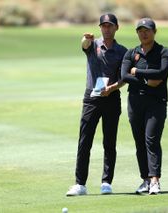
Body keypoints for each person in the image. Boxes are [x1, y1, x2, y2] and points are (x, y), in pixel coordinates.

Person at [66, 14, 127, 196]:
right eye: (104, 26)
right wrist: (85, 39)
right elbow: (84, 45)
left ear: (116, 28)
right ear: (100, 28)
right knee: (85, 141)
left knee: (109, 142)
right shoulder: (93, 45)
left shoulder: (123, 51)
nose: (106, 29)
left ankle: (106, 182)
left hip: (112, 97)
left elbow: (124, 78)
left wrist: (113, 87)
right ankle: (80, 184)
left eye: (110, 26)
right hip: (92, 98)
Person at [121, 18, 168, 195]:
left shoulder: (164, 52)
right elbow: (124, 76)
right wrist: (147, 80)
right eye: (140, 30)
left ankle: (155, 181)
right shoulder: (131, 53)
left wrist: (138, 72)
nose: (143, 33)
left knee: (151, 139)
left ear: (154, 32)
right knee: (139, 142)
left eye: (147, 30)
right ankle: (145, 180)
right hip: (135, 102)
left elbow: (161, 73)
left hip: (156, 103)